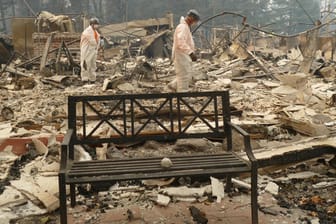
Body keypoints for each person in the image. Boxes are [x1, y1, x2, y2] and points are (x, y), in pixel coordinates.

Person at [168, 9, 200, 92]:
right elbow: (180, 42)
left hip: (183, 54)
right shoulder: (183, 27)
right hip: (181, 54)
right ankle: (183, 96)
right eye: (194, 20)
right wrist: (191, 53)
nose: (194, 23)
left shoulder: (185, 27)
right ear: (191, 18)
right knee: (184, 75)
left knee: (186, 74)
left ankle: (174, 85)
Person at [80, 17, 101, 83]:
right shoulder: (87, 31)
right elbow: (93, 42)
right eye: (96, 24)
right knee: (85, 65)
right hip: (87, 51)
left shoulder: (95, 32)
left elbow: (97, 41)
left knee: (93, 66)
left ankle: (92, 79)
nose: (97, 25)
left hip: (93, 51)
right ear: (92, 24)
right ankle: (85, 80)